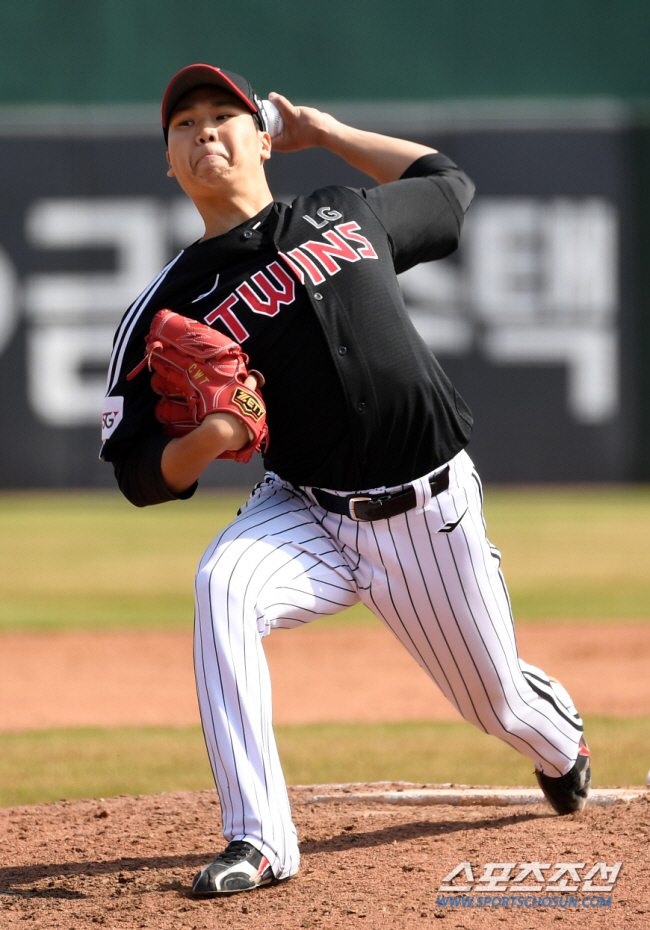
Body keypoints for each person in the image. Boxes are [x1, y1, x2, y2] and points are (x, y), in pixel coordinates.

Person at [101, 64, 590, 897]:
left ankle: (559, 737)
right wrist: (211, 438)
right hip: (306, 511)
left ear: (261, 138)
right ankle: (260, 839)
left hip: (427, 510)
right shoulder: (168, 306)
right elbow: (138, 472)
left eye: (224, 115)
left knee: (496, 704)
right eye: (185, 125)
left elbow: (449, 186)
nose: (205, 131)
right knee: (223, 584)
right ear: (170, 163)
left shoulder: (341, 210)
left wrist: (326, 132)